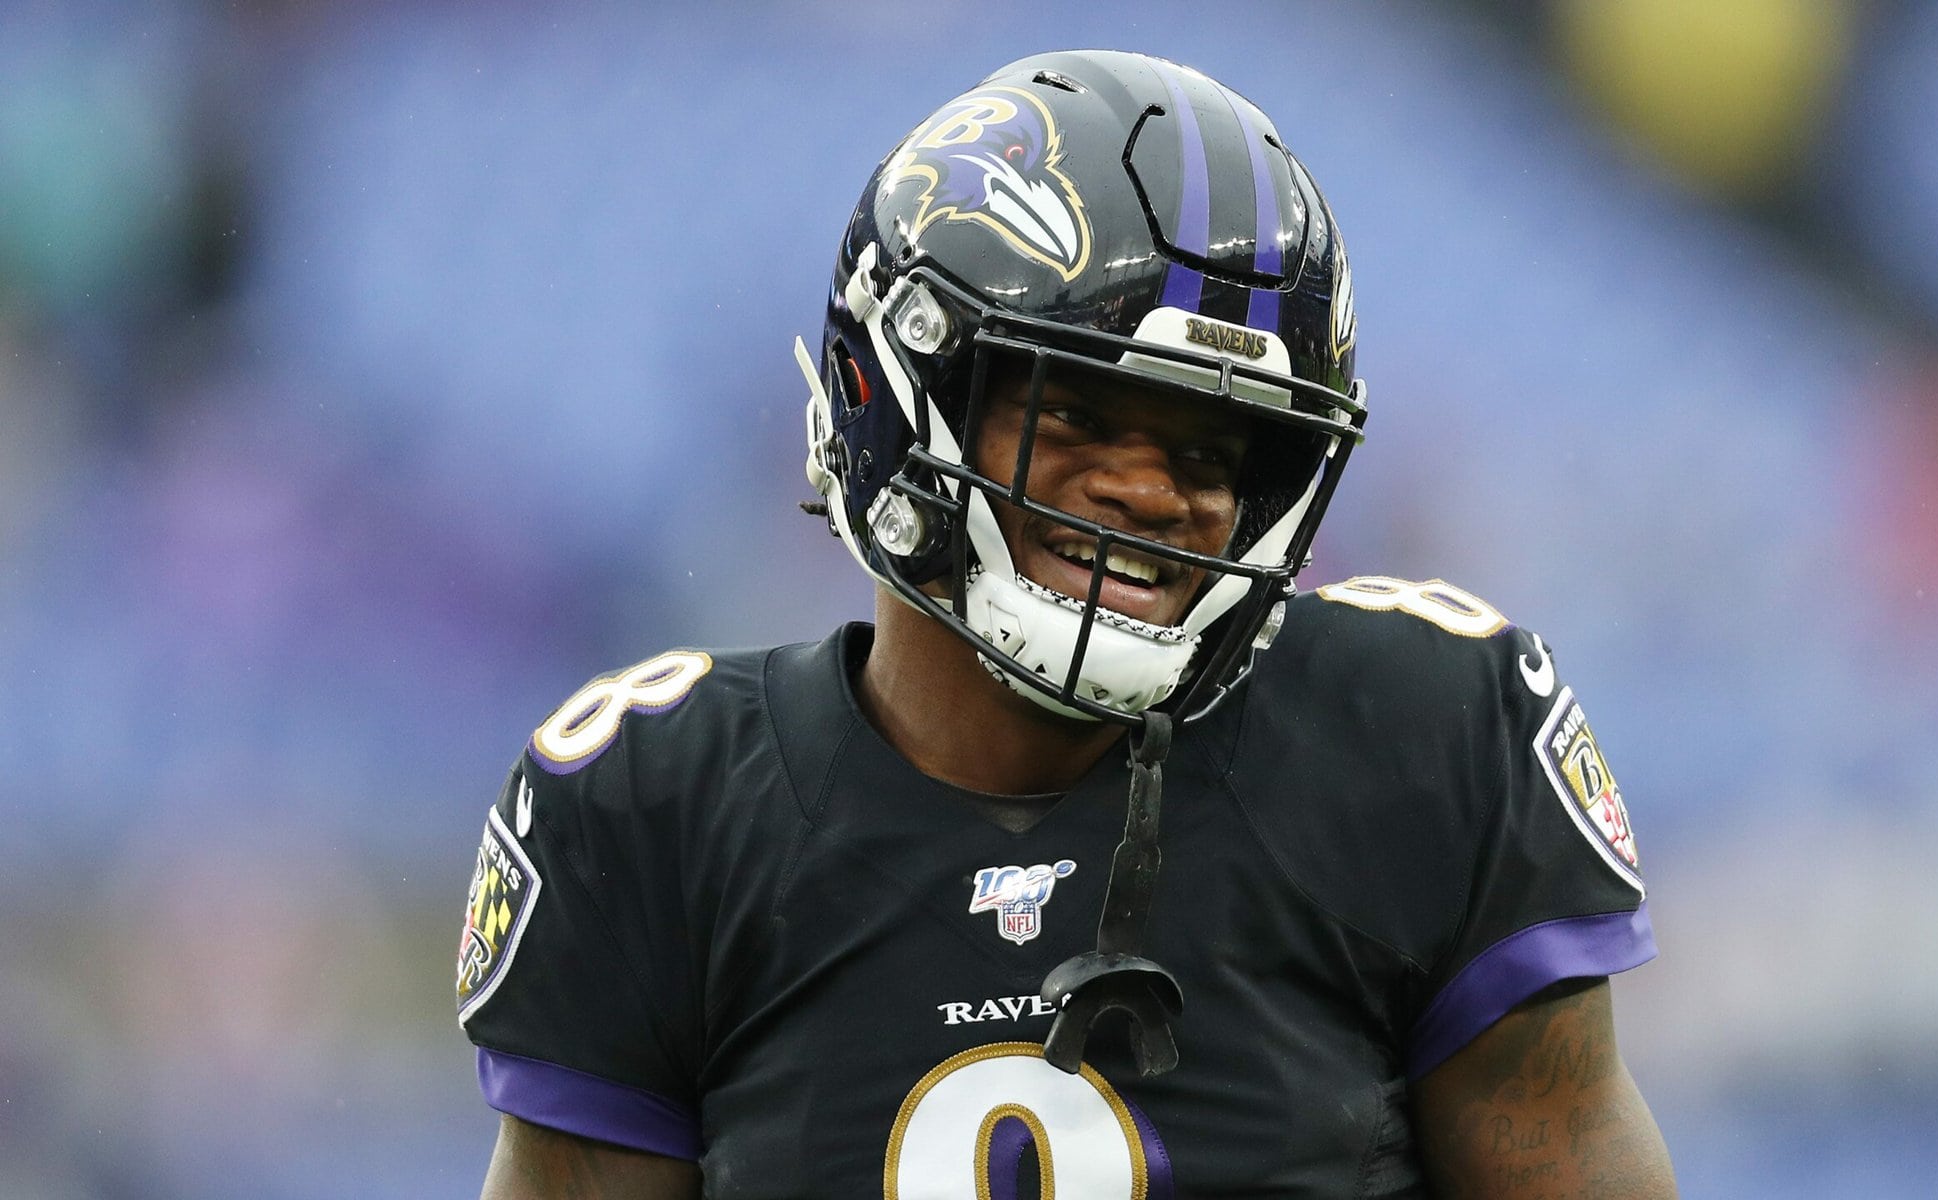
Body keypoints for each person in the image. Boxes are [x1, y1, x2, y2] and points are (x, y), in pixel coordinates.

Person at [454, 49, 1676, 1199]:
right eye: (1077, 414)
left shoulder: (1415, 733)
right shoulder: (653, 811)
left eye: (1211, 451)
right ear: (903, 395)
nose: (1149, 491)